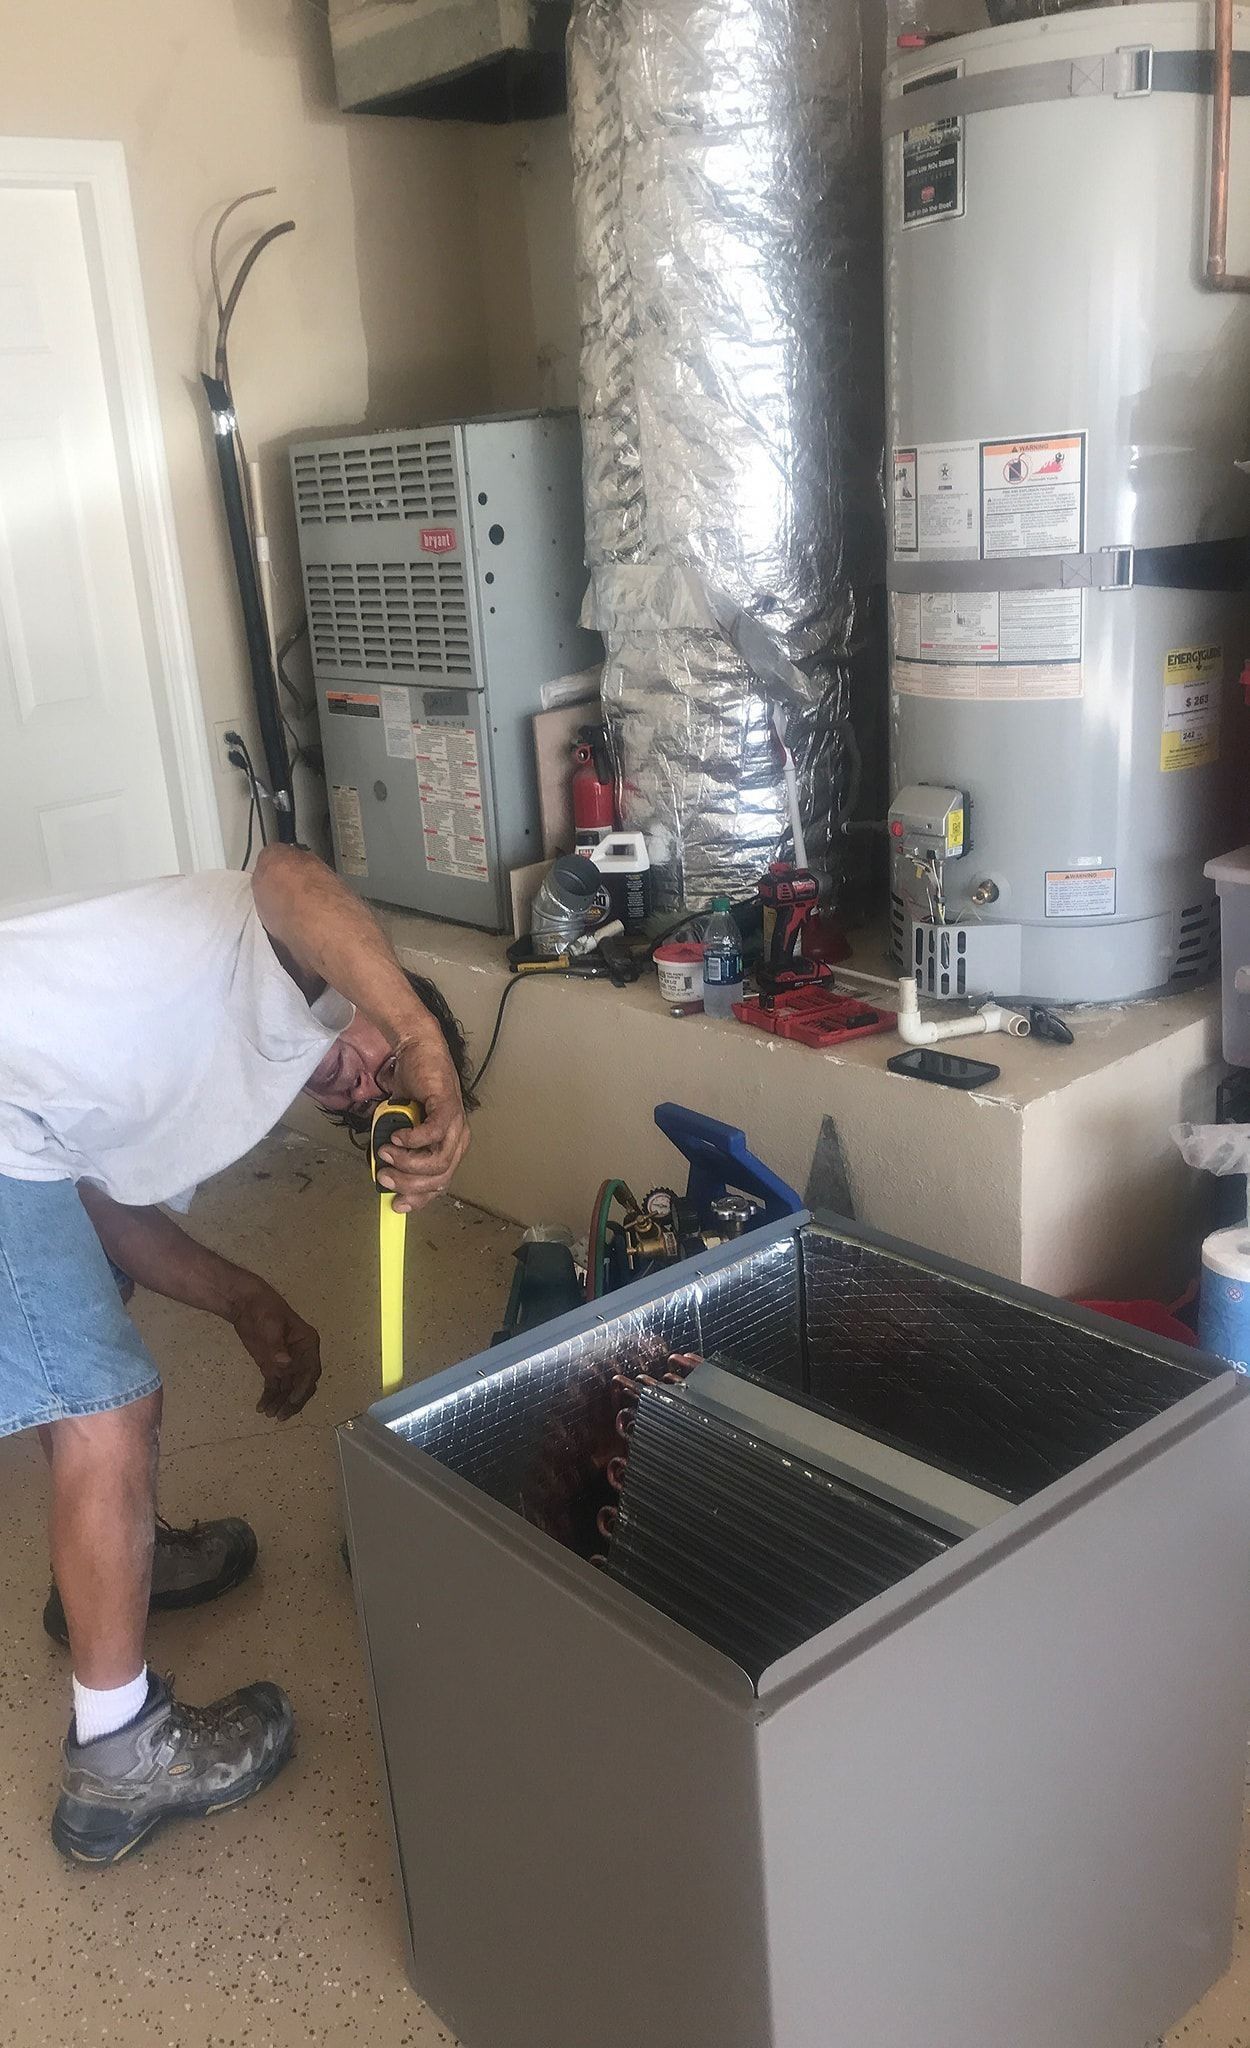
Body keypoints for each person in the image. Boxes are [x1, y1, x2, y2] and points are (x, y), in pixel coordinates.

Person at [0, 845, 473, 1864]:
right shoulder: (289, 968)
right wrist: (419, 1033)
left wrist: (245, 1298)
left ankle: (111, 1565)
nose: (363, 1086)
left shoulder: (234, 1069)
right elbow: (289, 872)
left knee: (96, 1327)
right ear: (368, 992)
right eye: (382, 1060)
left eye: (369, 1103)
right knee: (106, 1408)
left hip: (22, 1133)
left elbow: (98, 1206)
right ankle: (116, 1754)